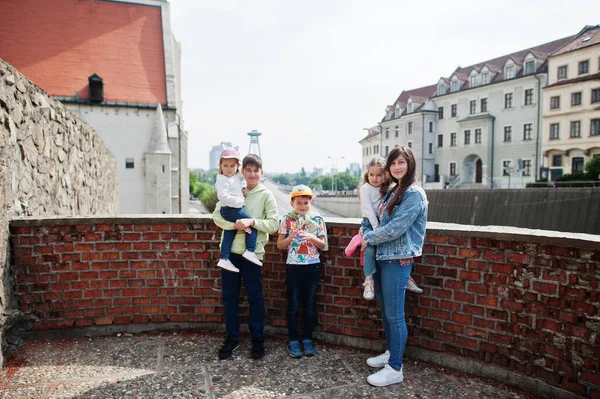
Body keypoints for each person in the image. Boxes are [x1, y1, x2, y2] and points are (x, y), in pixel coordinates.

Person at [361, 146, 428, 387]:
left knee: (395, 315)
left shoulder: (414, 194)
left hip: (398, 260)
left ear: (410, 164)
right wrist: (365, 230)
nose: (397, 167)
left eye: (401, 162)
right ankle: (391, 353)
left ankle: (395, 368)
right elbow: (371, 218)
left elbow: (395, 228)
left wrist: (368, 238)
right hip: (382, 257)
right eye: (393, 164)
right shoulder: (392, 192)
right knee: (386, 312)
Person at [212, 154, 280, 361]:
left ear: (261, 172)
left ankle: (257, 339)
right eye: (248, 170)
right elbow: (216, 216)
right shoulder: (232, 186)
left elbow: (274, 224)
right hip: (230, 254)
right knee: (230, 299)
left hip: (253, 255)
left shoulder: (266, 194)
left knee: (255, 299)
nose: (251, 174)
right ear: (242, 171)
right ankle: (232, 338)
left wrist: (251, 223)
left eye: (255, 171)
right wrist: (234, 225)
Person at [345, 159, 424, 298]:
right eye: (372, 175)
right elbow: (368, 210)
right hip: (371, 223)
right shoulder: (365, 189)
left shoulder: (389, 189)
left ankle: (406, 279)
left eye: (379, 175)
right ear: (367, 175)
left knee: (400, 247)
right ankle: (369, 279)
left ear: (385, 175)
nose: (375, 179)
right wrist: (376, 229)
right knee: (369, 248)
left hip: (383, 224)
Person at [277, 185, 327, 359]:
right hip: (293, 266)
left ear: (310, 202)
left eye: (306, 202)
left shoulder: (317, 220)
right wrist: (290, 238)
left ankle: (307, 338)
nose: (303, 206)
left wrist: (312, 237)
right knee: (293, 305)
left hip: (312, 265)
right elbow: (279, 245)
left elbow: (323, 245)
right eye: (299, 202)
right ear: (292, 203)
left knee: (310, 305)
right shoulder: (287, 219)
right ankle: (292, 339)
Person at [215, 146, 262, 272]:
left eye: (232, 166)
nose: (229, 169)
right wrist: (240, 201)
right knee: (252, 224)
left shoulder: (232, 178)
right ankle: (250, 251)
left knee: (229, 232)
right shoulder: (222, 180)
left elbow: (236, 187)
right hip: (232, 209)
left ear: (237, 167)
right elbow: (223, 197)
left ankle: (224, 258)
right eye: (225, 166)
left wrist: (241, 191)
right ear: (220, 166)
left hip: (230, 210)